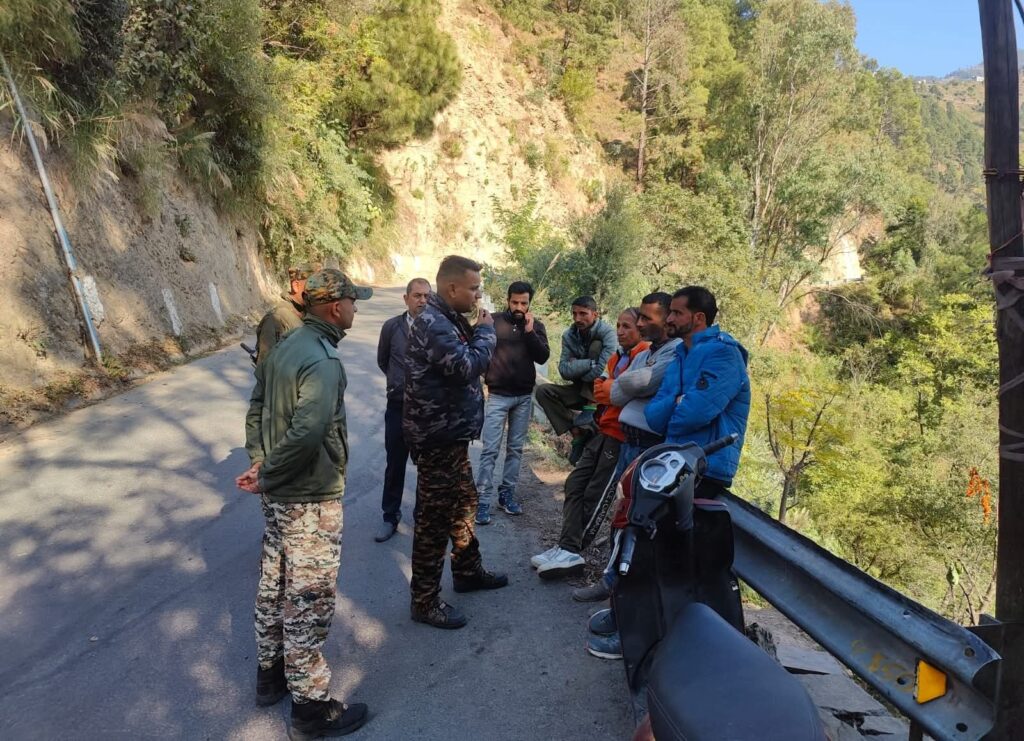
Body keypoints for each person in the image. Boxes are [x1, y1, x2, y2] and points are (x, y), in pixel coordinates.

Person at [238, 269, 372, 739]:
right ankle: (311, 709)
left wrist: (260, 463)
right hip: (309, 497)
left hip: (278, 495)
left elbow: (255, 408)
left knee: (274, 584)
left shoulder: (284, 347)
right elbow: (307, 434)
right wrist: (268, 472)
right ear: (335, 307)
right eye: (353, 301)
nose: (355, 308)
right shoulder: (323, 360)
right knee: (307, 599)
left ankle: (269, 675)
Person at [584, 286, 751, 662]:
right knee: (645, 542)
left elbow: (693, 413)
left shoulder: (724, 355)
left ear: (698, 318)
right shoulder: (681, 354)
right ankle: (631, 621)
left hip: (706, 467)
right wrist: (677, 403)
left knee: (667, 555)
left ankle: (646, 641)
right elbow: (657, 415)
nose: (669, 318)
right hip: (674, 464)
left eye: (676, 313)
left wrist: (676, 404)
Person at [404, 255, 509, 629]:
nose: (478, 295)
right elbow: (466, 366)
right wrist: (487, 333)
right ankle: (424, 601)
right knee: (433, 520)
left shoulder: (447, 319)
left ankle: (467, 571)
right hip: (438, 440)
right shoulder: (434, 323)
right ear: (452, 288)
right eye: (474, 288)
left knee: (465, 502)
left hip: (451, 437)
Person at [571, 291, 680, 604]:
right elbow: (617, 393)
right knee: (622, 514)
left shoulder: (673, 353)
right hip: (629, 443)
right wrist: (625, 386)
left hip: (649, 447)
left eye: (647, 318)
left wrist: (624, 385)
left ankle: (623, 590)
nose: (640, 324)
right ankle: (611, 581)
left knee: (638, 519)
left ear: (667, 319)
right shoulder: (646, 353)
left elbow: (637, 384)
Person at [531, 309, 648, 580]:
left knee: (595, 492)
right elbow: (599, 389)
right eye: (618, 325)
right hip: (601, 429)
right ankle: (565, 546)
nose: (620, 331)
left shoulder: (644, 355)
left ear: (641, 329)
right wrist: (612, 390)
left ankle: (573, 550)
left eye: (627, 326)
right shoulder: (618, 356)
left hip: (620, 437)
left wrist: (611, 389)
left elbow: (618, 392)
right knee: (575, 483)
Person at [475, 281, 550, 525]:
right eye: (515, 302)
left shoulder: (535, 326)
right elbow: (478, 348)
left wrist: (529, 332)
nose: (519, 307)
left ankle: (506, 495)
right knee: (490, 449)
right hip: (498, 396)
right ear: (508, 300)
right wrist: (487, 374)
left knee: (515, 450)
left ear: (529, 303)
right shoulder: (494, 321)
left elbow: (543, 356)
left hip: (523, 397)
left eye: (523, 303)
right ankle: (482, 500)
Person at [374, 277, 432, 542]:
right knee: (395, 463)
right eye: (417, 295)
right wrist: (399, 383)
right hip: (398, 407)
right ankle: (390, 517)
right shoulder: (391, 327)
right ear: (406, 298)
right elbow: (383, 360)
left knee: (426, 466)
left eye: (427, 296)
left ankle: (422, 517)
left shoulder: (436, 327)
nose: (422, 300)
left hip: (427, 411)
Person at [534, 296, 617, 464]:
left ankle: (590, 409)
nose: (577, 318)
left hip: (602, 393)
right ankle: (577, 432)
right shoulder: (569, 335)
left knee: (596, 346)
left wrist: (578, 367)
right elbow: (564, 371)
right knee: (543, 391)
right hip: (578, 390)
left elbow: (603, 370)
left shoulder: (607, 333)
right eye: (574, 313)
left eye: (583, 314)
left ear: (595, 314)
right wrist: (590, 363)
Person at [255, 265, 313, 365]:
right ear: (296, 285)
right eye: (313, 286)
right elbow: (265, 366)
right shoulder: (277, 317)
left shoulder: (308, 313)